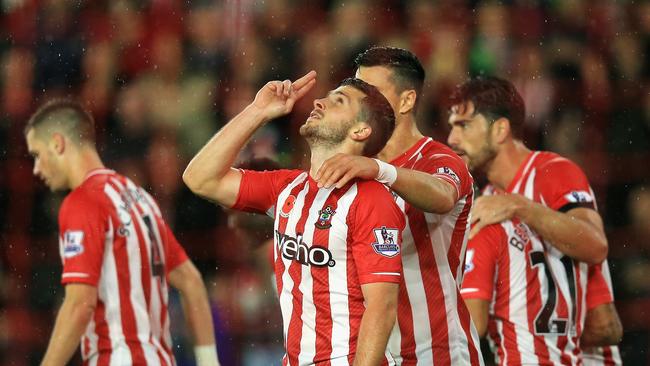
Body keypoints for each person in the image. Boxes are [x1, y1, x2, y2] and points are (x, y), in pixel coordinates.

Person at [183, 71, 406, 365]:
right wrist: (257, 112)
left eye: (338, 101)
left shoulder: (372, 200)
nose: (319, 101)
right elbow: (200, 179)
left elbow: (383, 307)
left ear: (360, 131)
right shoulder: (288, 188)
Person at [314, 47, 482, 365]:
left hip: (436, 352)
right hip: (371, 354)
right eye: (358, 90)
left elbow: (444, 196)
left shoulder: (439, 160)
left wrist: (381, 171)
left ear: (406, 101)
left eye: (373, 92)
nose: (363, 100)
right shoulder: (353, 166)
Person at [24, 100, 219, 366]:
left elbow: (80, 306)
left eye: (36, 154)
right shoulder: (138, 197)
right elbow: (192, 282)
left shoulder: (82, 203)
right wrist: (209, 362)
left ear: (57, 144)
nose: (36, 168)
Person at [446, 76, 622, 364]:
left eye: (463, 125)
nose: (452, 139)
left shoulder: (552, 173)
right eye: (452, 126)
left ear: (500, 129)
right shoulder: (487, 202)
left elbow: (595, 245)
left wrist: (518, 205)